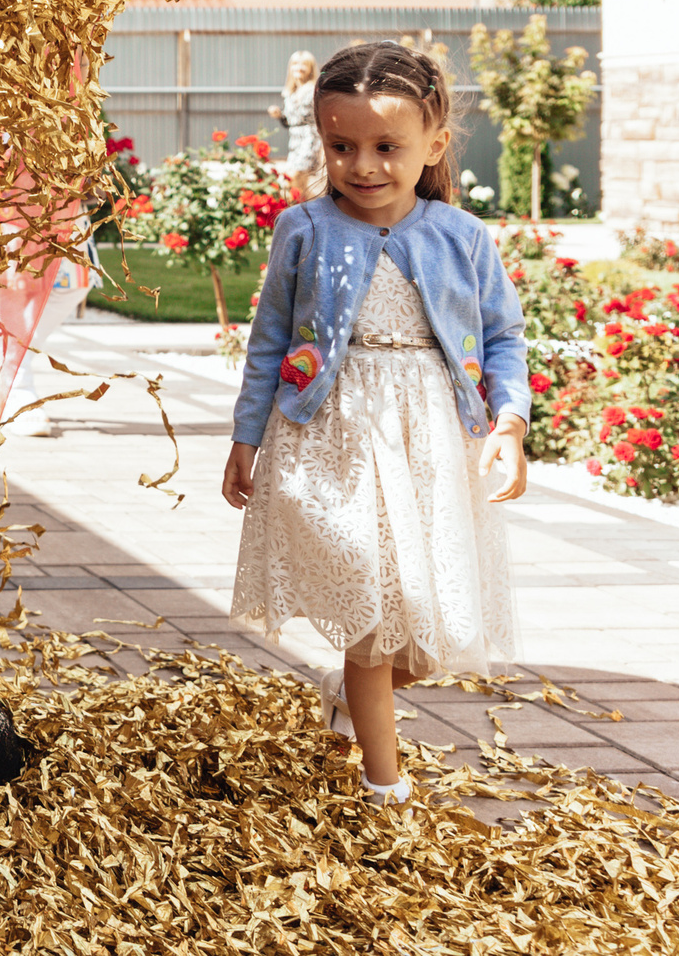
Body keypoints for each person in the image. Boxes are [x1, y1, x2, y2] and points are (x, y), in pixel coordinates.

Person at [223, 41, 528, 807]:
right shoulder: (304, 228)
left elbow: (502, 339)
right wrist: (245, 436)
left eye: (386, 146)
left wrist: (510, 423)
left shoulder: (461, 236)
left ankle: (350, 690)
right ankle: (384, 787)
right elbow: (268, 339)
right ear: (321, 139)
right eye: (342, 146)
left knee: (427, 632)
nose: (363, 165)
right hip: (335, 437)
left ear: (433, 144)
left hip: (429, 436)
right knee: (374, 618)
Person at [269, 50, 320, 199]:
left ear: (310, 68)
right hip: (295, 141)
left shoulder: (314, 90)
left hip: (310, 140)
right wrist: (280, 115)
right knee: (300, 185)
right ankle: (307, 212)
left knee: (292, 177)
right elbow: (290, 123)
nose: (299, 67)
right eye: (295, 64)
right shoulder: (290, 92)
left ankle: (302, 212)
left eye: (304, 64)